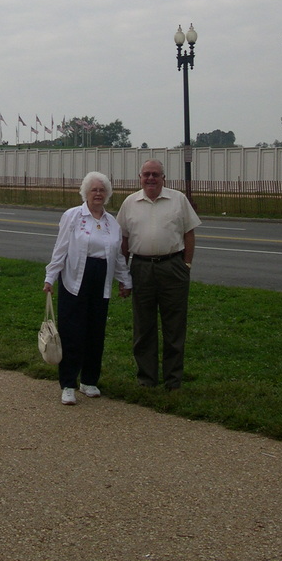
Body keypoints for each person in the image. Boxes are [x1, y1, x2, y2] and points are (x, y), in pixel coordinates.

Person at [44, 172, 132, 405]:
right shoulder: (73, 216)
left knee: (95, 332)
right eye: (93, 189)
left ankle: (89, 380)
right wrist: (50, 277)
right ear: (85, 192)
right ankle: (68, 384)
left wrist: (125, 280)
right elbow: (60, 248)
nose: (98, 194)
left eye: (102, 190)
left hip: (100, 281)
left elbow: (118, 256)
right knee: (72, 332)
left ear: (108, 194)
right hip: (74, 280)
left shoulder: (112, 223)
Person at [117, 159, 200, 390]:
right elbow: (123, 240)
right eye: (147, 174)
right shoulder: (130, 203)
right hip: (141, 268)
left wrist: (187, 265)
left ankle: (173, 381)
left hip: (172, 267)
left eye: (155, 174)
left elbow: (189, 233)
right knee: (144, 327)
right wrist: (123, 274)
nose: (151, 178)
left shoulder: (178, 200)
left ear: (164, 178)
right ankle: (147, 379)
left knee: (174, 327)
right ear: (140, 177)